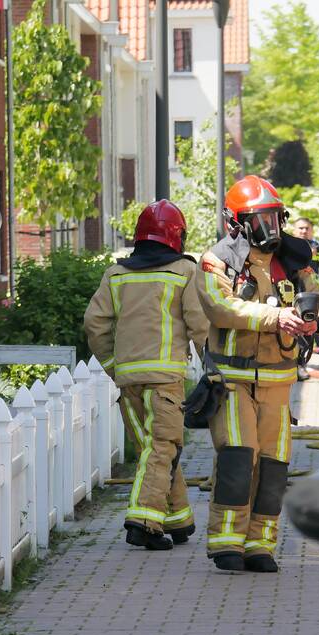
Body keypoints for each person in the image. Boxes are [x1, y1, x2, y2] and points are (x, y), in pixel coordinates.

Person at [196, 176, 319, 572]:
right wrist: (276, 316)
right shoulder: (217, 261)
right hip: (232, 381)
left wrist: (313, 320)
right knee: (240, 457)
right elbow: (221, 308)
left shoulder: (294, 258)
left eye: (274, 220)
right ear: (236, 223)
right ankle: (226, 540)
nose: (270, 231)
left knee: (275, 465)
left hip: (278, 381)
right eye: (260, 222)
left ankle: (261, 544)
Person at [84, 199, 209, 551]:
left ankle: (178, 519)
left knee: (152, 451)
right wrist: (214, 371)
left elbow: (95, 324)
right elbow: (200, 326)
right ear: (177, 236)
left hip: (128, 380)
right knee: (163, 447)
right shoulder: (185, 272)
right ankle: (143, 523)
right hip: (165, 379)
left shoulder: (116, 275)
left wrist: (113, 366)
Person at [291, 217, 319, 283]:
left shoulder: (316, 246)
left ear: (312, 231)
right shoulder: (288, 245)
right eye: (301, 228)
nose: (304, 231)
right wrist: (308, 255)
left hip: (313, 287)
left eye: (307, 228)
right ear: (294, 231)